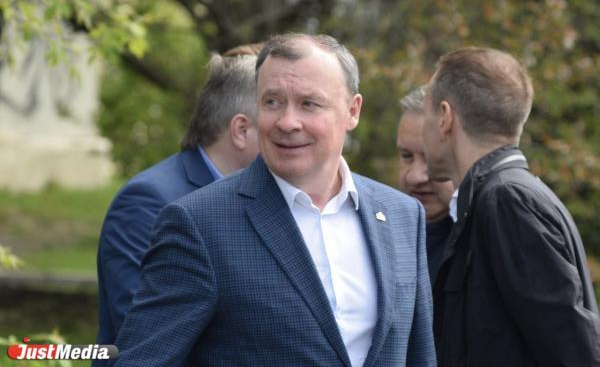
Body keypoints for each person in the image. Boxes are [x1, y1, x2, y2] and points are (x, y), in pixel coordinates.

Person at [111, 33, 436, 367]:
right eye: (272, 102)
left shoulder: (402, 216)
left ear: (352, 111)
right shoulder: (199, 225)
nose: (287, 122)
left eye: (308, 104)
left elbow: (420, 356)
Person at [421, 46, 600, 366]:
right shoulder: (500, 197)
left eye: (426, 114)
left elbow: (576, 353)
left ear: (445, 117)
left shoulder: (508, 201)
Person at [95, 45, 262, 349]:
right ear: (241, 130)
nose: (289, 125)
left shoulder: (264, 198)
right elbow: (143, 334)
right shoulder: (148, 202)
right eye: (274, 107)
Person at [396, 86, 454, 284]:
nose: (414, 177)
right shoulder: (378, 235)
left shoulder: (485, 239)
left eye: (430, 159)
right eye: (406, 156)